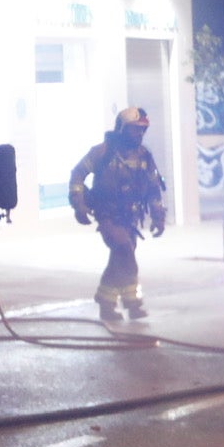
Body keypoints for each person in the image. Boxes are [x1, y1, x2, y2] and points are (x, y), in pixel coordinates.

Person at [69, 107, 168, 324]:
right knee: (124, 251)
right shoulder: (101, 153)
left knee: (120, 257)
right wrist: (79, 204)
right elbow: (77, 174)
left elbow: (153, 189)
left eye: (143, 130)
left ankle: (107, 303)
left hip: (131, 219)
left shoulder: (144, 156)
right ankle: (131, 303)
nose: (140, 134)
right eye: (135, 129)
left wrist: (158, 217)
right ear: (122, 128)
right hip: (108, 215)